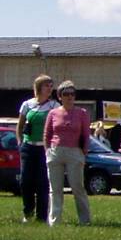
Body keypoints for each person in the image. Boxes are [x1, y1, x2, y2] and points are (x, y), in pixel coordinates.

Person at [43, 81, 91, 226]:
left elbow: (86, 135)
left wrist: (83, 152)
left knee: (78, 187)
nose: (70, 97)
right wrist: (47, 151)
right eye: (66, 94)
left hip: (75, 152)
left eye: (72, 94)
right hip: (55, 151)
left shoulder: (82, 113)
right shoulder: (53, 113)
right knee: (55, 189)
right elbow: (47, 134)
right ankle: (54, 221)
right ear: (60, 97)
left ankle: (85, 220)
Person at [17, 74, 59, 222]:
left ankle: (42, 216)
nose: (49, 88)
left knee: (43, 182)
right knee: (25, 180)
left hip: (45, 149)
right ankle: (27, 212)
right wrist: (20, 141)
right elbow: (20, 125)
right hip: (28, 147)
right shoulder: (27, 104)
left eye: (51, 86)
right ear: (39, 87)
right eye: (47, 85)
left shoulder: (54, 106)